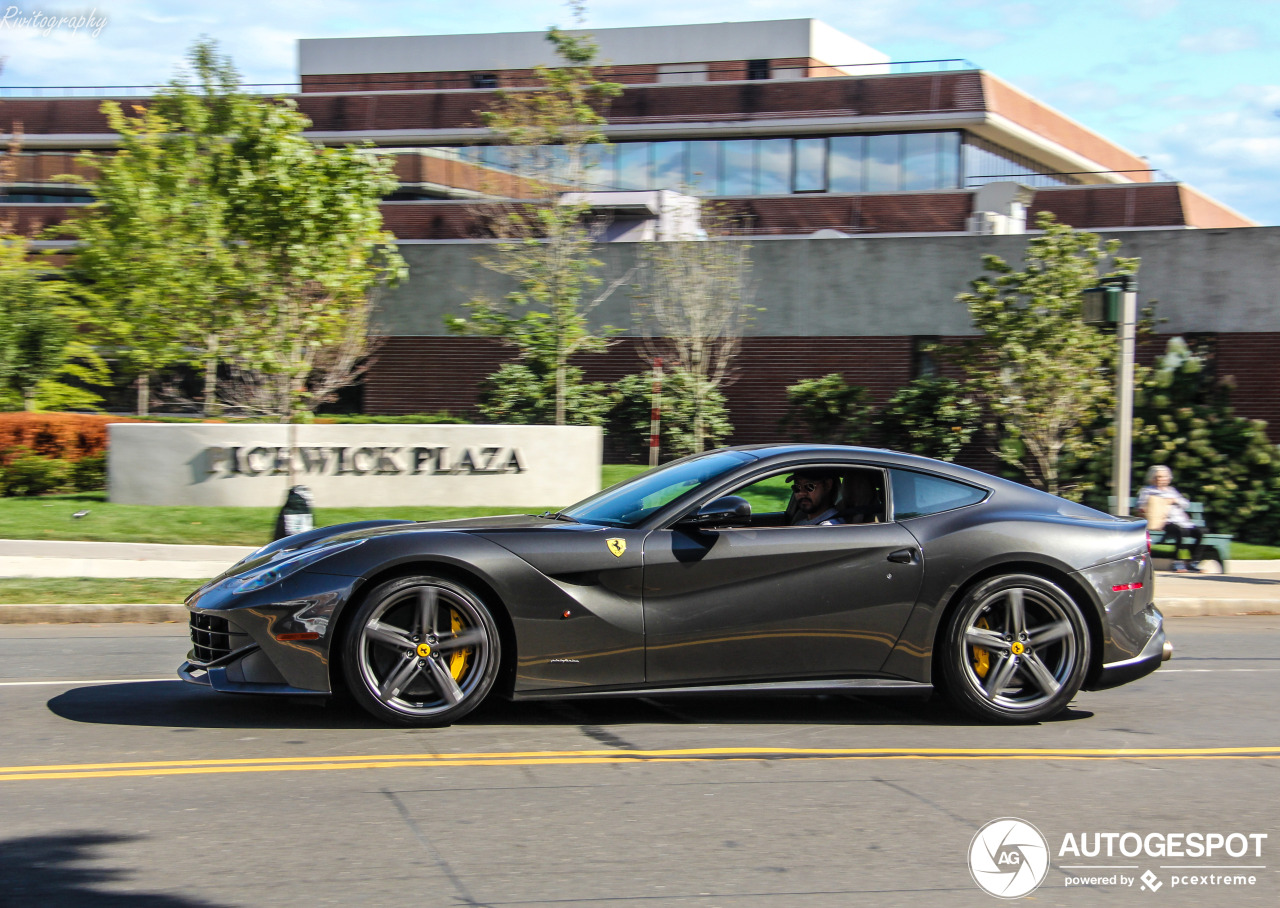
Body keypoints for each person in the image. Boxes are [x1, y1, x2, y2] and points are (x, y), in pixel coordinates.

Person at [1137, 465, 1205, 572]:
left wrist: (1174, 500)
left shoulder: (1171, 491)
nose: (1160, 479)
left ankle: (1193, 562)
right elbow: (1140, 506)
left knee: (1200, 532)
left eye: (1163, 477)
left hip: (1181, 521)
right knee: (1180, 531)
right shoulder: (1147, 491)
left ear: (1168, 478)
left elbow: (1185, 504)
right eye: (1157, 477)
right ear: (1152, 478)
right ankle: (1177, 562)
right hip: (1164, 522)